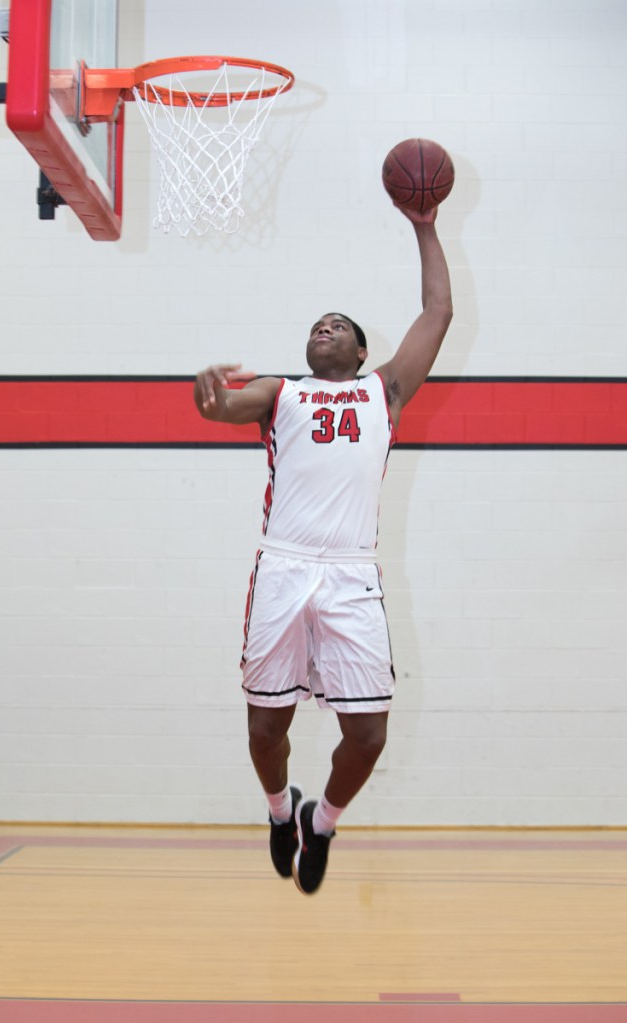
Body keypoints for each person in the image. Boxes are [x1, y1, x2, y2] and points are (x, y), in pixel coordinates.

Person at [194, 203, 452, 894]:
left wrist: (423, 222)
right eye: (317, 324)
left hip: (350, 578)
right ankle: (280, 811)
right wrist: (207, 394)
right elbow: (219, 407)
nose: (324, 327)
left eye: (338, 325)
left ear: (362, 352)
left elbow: (437, 313)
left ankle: (325, 819)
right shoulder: (282, 393)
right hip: (282, 567)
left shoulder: (384, 392)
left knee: (368, 736)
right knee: (263, 728)